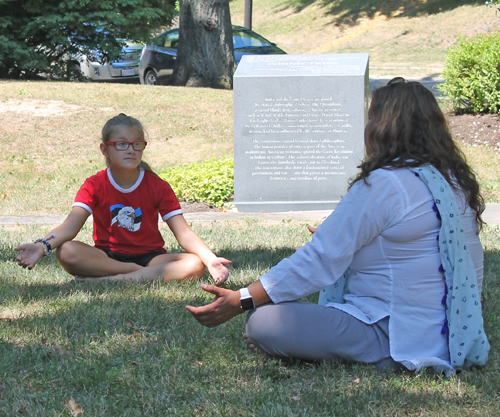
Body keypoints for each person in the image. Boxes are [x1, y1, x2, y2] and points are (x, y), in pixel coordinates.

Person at [186, 78, 490, 374]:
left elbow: (319, 259)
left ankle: (385, 357)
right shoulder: (452, 182)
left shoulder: (386, 182)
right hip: (446, 332)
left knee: (263, 321)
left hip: (391, 330)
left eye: (371, 117)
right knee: (280, 310)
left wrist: (242, 299)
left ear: (384, 127)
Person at [15, 113, 231, 284]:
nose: (131, 150)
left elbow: (184, 233)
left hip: (152, 257)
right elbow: (70, 226)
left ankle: (112, 281)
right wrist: (42, 246)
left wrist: (210, 259)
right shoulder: (94, 184)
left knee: (194, 264)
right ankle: (137, 274)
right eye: (122, 144)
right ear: (105, 149)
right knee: (66, 250)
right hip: (107, 258)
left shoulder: (158, 186)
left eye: (137, 144)